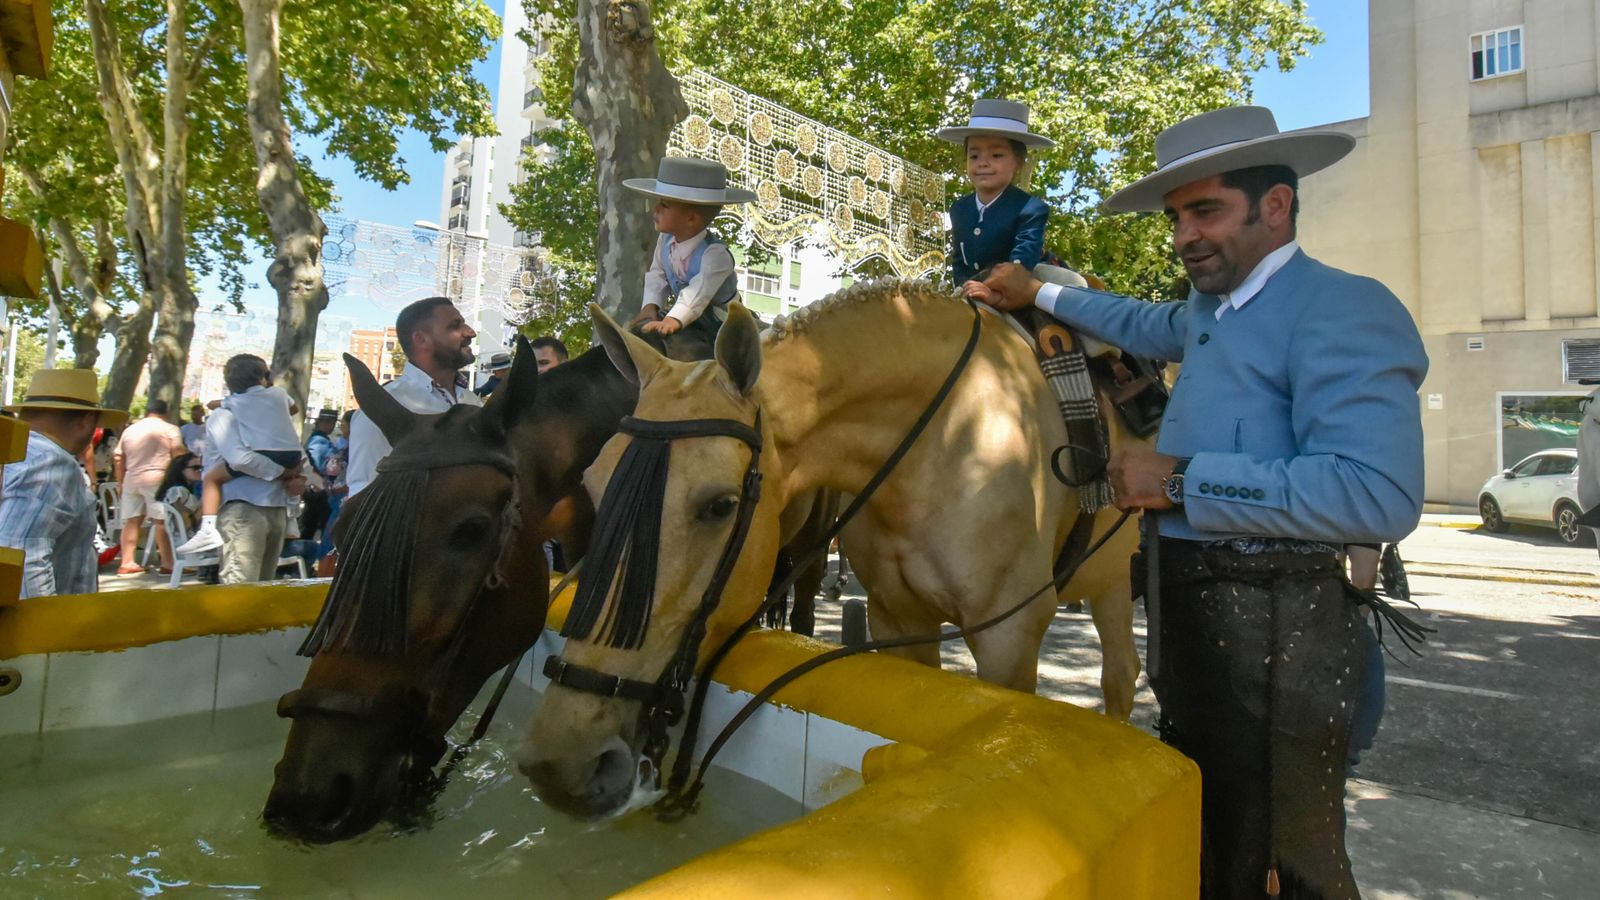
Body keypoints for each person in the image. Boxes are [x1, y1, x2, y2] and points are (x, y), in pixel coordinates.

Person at [980, 105, 1427, 899]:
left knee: (1288, 866)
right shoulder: (1207, 312)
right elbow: (1135, 321)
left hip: (1289, 656)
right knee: (1217, 849)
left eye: (1207, 211)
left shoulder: (1345, 308)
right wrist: (1039, 292)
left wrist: (1178, 480)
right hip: (1209, 641)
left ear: (1276, 207)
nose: (1185, 235)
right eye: (1177, 216)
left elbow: (1377, 493)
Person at [0, 369, 128, 597]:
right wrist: (41, 627)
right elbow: (23, 557)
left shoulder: (17, 452)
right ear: (87, 421)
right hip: (31, 626)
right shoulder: (50, 463)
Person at [179, 355, 306, 584]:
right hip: (243, 508)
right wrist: (284, 472)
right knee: (241, 586)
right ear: (263, 378)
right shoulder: (224, 416)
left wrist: (295, 477)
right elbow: (241, 459)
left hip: (275, 506)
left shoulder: (265, 413)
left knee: (263, 586)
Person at [346, 297, 483, 497]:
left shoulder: (473, 402)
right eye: (455, 326)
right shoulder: (383, 407)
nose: (470, 332)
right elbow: (363, 493)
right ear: (421, 339)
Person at [624, 157, 756, 342]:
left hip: (723, 322)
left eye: (665, 204)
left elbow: (699, 291)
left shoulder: (716, 255)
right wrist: (651, 305)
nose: (656, 208)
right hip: (689, 316)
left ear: (691, 219)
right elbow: (657, 274)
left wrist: (674, 319)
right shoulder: (665, 241)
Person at [935, 98, 1052, 293]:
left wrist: (991, 288)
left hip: (1022, 288)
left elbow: (1021, 262)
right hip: (973, 291)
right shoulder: (959, 209)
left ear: (1018, 162)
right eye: (974, 156)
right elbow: (959, 260)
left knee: (1063, 292)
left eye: (996, 156)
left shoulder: (1031, 208)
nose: (983, 163)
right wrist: (963, 288)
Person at [112, 399, 185, 574]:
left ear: (147, 412)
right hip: (158, 477)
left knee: (131, 521)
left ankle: (127, 562)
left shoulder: (130, 430)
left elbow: (117, 457)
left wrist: (120, 481)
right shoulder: (170, 429)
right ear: (165, 412)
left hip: (132, 477)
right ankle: (168, 563)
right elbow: (177, 453)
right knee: (161, 521)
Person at [157, 452, 204, 533]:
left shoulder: (189, 491)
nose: (200, 471)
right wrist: (203, 508)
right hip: (184, 541)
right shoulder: (177, 492)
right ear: (181, 470)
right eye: (196, 467)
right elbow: (183, 526)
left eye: (202, 468)